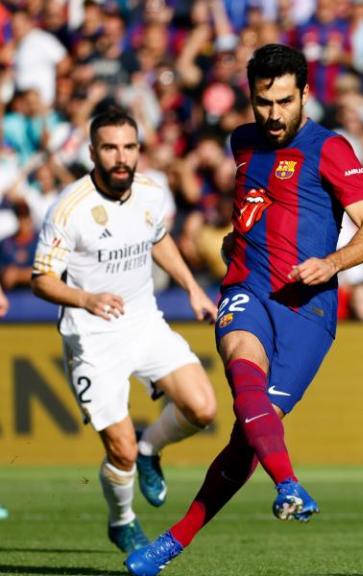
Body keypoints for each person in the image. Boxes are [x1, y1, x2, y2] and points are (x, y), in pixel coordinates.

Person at [125, 44, 363, 576]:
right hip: (247, 287)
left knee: (248, 435)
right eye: (263, 101)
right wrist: (236, 240)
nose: (272, 115)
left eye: (284, 102)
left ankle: (177, 539)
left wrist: (330, 262)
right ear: (250, 97)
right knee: (241, 365)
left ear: (305, 95)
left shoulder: (332, 149)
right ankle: (288, 484)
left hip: (308, 310)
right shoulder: (241, 141)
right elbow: (257, 201)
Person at [31, 107, 219, 553]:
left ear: (139, 149)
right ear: (93, 151)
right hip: (92, 337)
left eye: (129, 147)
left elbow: (158, 239)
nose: (121, 157)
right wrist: (87, 299)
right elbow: (41, 280)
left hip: (143, 320)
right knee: (120, 451)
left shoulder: (152, 193)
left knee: (203, 408)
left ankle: (153, 448)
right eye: (111, 147)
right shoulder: (69, 209)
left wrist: (192, 287)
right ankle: (123, 521)